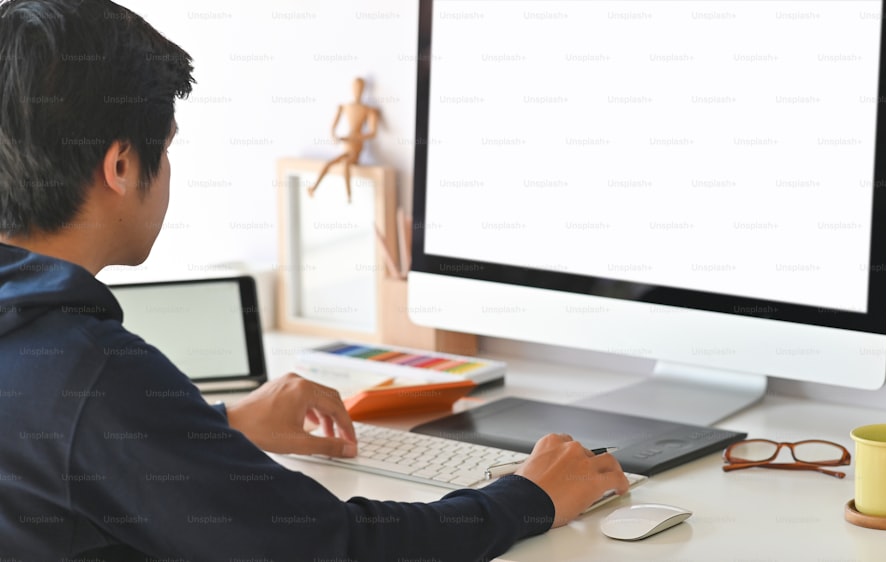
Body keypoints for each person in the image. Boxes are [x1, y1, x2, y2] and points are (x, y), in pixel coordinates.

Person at [0, 1, 629, 560]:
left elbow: (65, 452)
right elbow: (331, 544)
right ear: (120, 164)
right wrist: (527, 496)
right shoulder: (92, 375)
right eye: (165, 149)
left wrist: (215, 428)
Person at [307, 76, 380, 203]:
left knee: (346, 164)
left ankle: (348, 195)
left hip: (355, 149)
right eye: (355, 87)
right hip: (347, 145)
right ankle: (313, 188)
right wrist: (335, 136)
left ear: (363, 89)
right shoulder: (345, 107)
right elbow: (333, 127)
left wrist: (355, 137)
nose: (357, 90)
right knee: (329, 163)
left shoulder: (369, 110)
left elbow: (373, 133)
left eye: (359, 87)